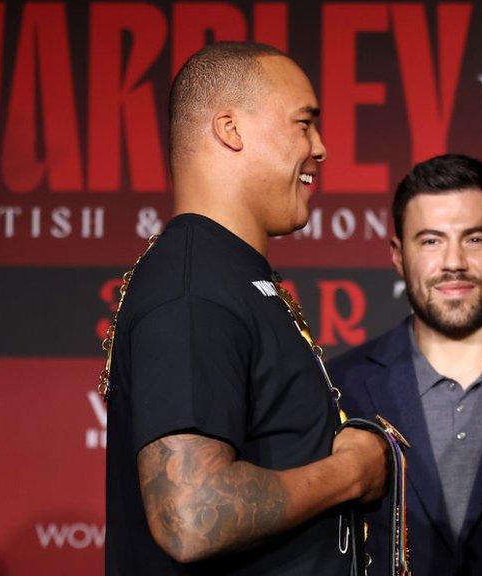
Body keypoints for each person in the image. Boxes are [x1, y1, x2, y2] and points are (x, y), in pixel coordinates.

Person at [103, 42, 388, 575]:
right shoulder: (194, 288)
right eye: (304, 124)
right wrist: (352, 472)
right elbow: (191, 515)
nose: (320, 147)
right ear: (230, 129)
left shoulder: (228, 275)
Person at [328, 154, 482, 576]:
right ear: (398, 255)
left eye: (475, 239)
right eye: (431, 241)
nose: (453, 262)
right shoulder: (340, 386)